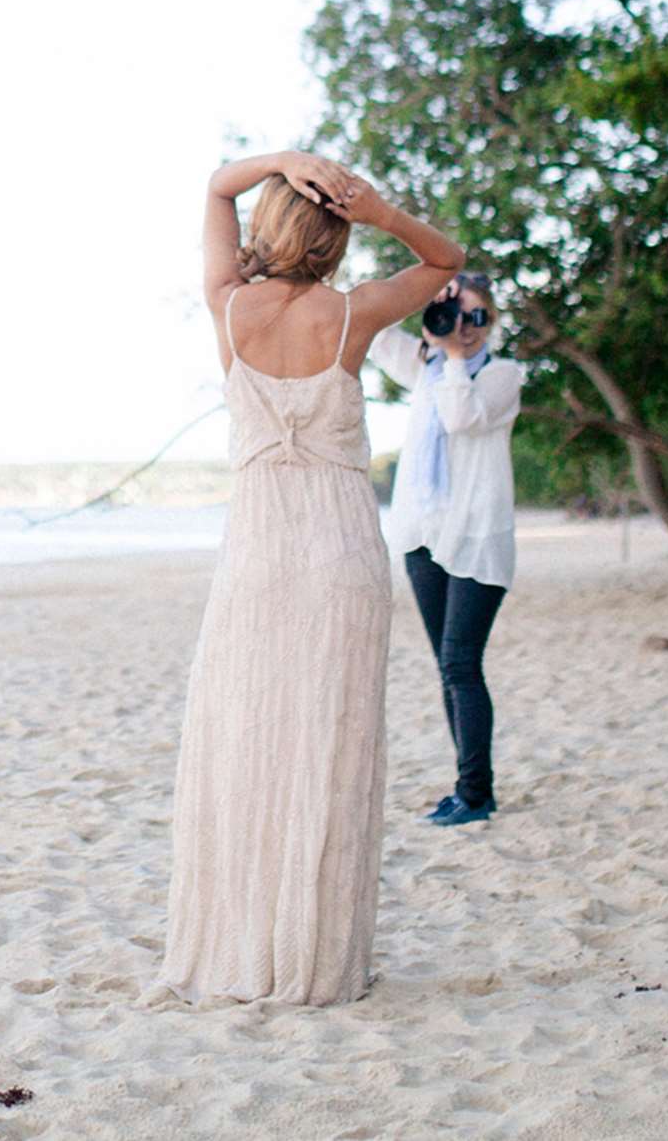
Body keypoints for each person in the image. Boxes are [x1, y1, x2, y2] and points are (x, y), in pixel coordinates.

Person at [157, 149, 463, 1006]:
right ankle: (317, 960)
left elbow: (215, 182)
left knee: (248, 741)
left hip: (259, 551)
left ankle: (245, 950)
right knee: (327, 749)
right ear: (336, 235)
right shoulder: (352, 313)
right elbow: (448, 261)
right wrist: (383, 214)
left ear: (272, 227)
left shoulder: (229, 309)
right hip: (338, 549)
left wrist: (283, 161)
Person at [366, 272, 522, 827]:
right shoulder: (424, 368)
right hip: (423, 540)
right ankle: (468, 788)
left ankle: (475, 793)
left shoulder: (502, 375)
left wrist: (452, 353)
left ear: (495, 323)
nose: (468, 329)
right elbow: (373, 328)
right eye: (460, 316)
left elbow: (462, 417)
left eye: (479, 317)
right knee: (447, 668)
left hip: (476, 540)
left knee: (462, 664)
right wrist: (423, 298)